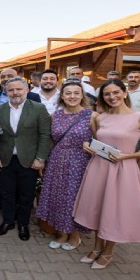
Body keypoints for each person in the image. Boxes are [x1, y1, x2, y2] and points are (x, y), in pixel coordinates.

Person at [73, 79, 140, 270]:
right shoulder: (99, 117)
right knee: (97, 207)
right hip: (99, 168)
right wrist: (88, 145)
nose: (112, 97)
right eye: (107, 94)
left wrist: (128, 155)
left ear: (124, 93)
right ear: (102, 97)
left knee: (113, 210)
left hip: (122, 170)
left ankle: (108, 251)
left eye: (116, 92)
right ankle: (96, 248)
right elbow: (97, 141)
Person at [36, 80, 96, 250]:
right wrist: (43, 161)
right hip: (57, 161)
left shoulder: (91, 116)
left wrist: (92, 147)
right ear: (61, 96)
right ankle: (62, 233)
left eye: (76, 93)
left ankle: (75, 234)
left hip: (80, 162)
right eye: (68, 93)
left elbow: (101, 141)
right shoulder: (55, 115)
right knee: (57, 197)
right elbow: (49, 140)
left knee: (75, 199)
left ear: (82, 95)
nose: (72, 96)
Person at [0, 77, 51, 241]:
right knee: (6, 193)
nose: (15, 92)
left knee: (26, 194)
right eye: (11, 90)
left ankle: (23, 224)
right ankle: (8, 221)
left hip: (29, 160)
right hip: (5, 159)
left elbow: (45, 135)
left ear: (27, 91)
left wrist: (40, 158)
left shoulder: (38, 108)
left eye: (19, 89)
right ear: (6, 92)